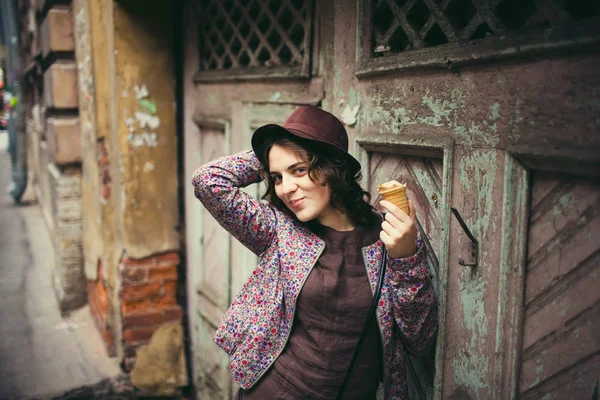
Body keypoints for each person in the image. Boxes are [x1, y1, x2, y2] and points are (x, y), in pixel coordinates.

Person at [192, 106, 438, 400]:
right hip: (274, 391)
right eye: (277, 177)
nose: (286, 189)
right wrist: (271, 152)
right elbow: (207, 181)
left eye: (298, 170)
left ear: (333, 168)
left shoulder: (387, 235)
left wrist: (405, 257)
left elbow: (419, 339)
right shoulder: (278, 229)